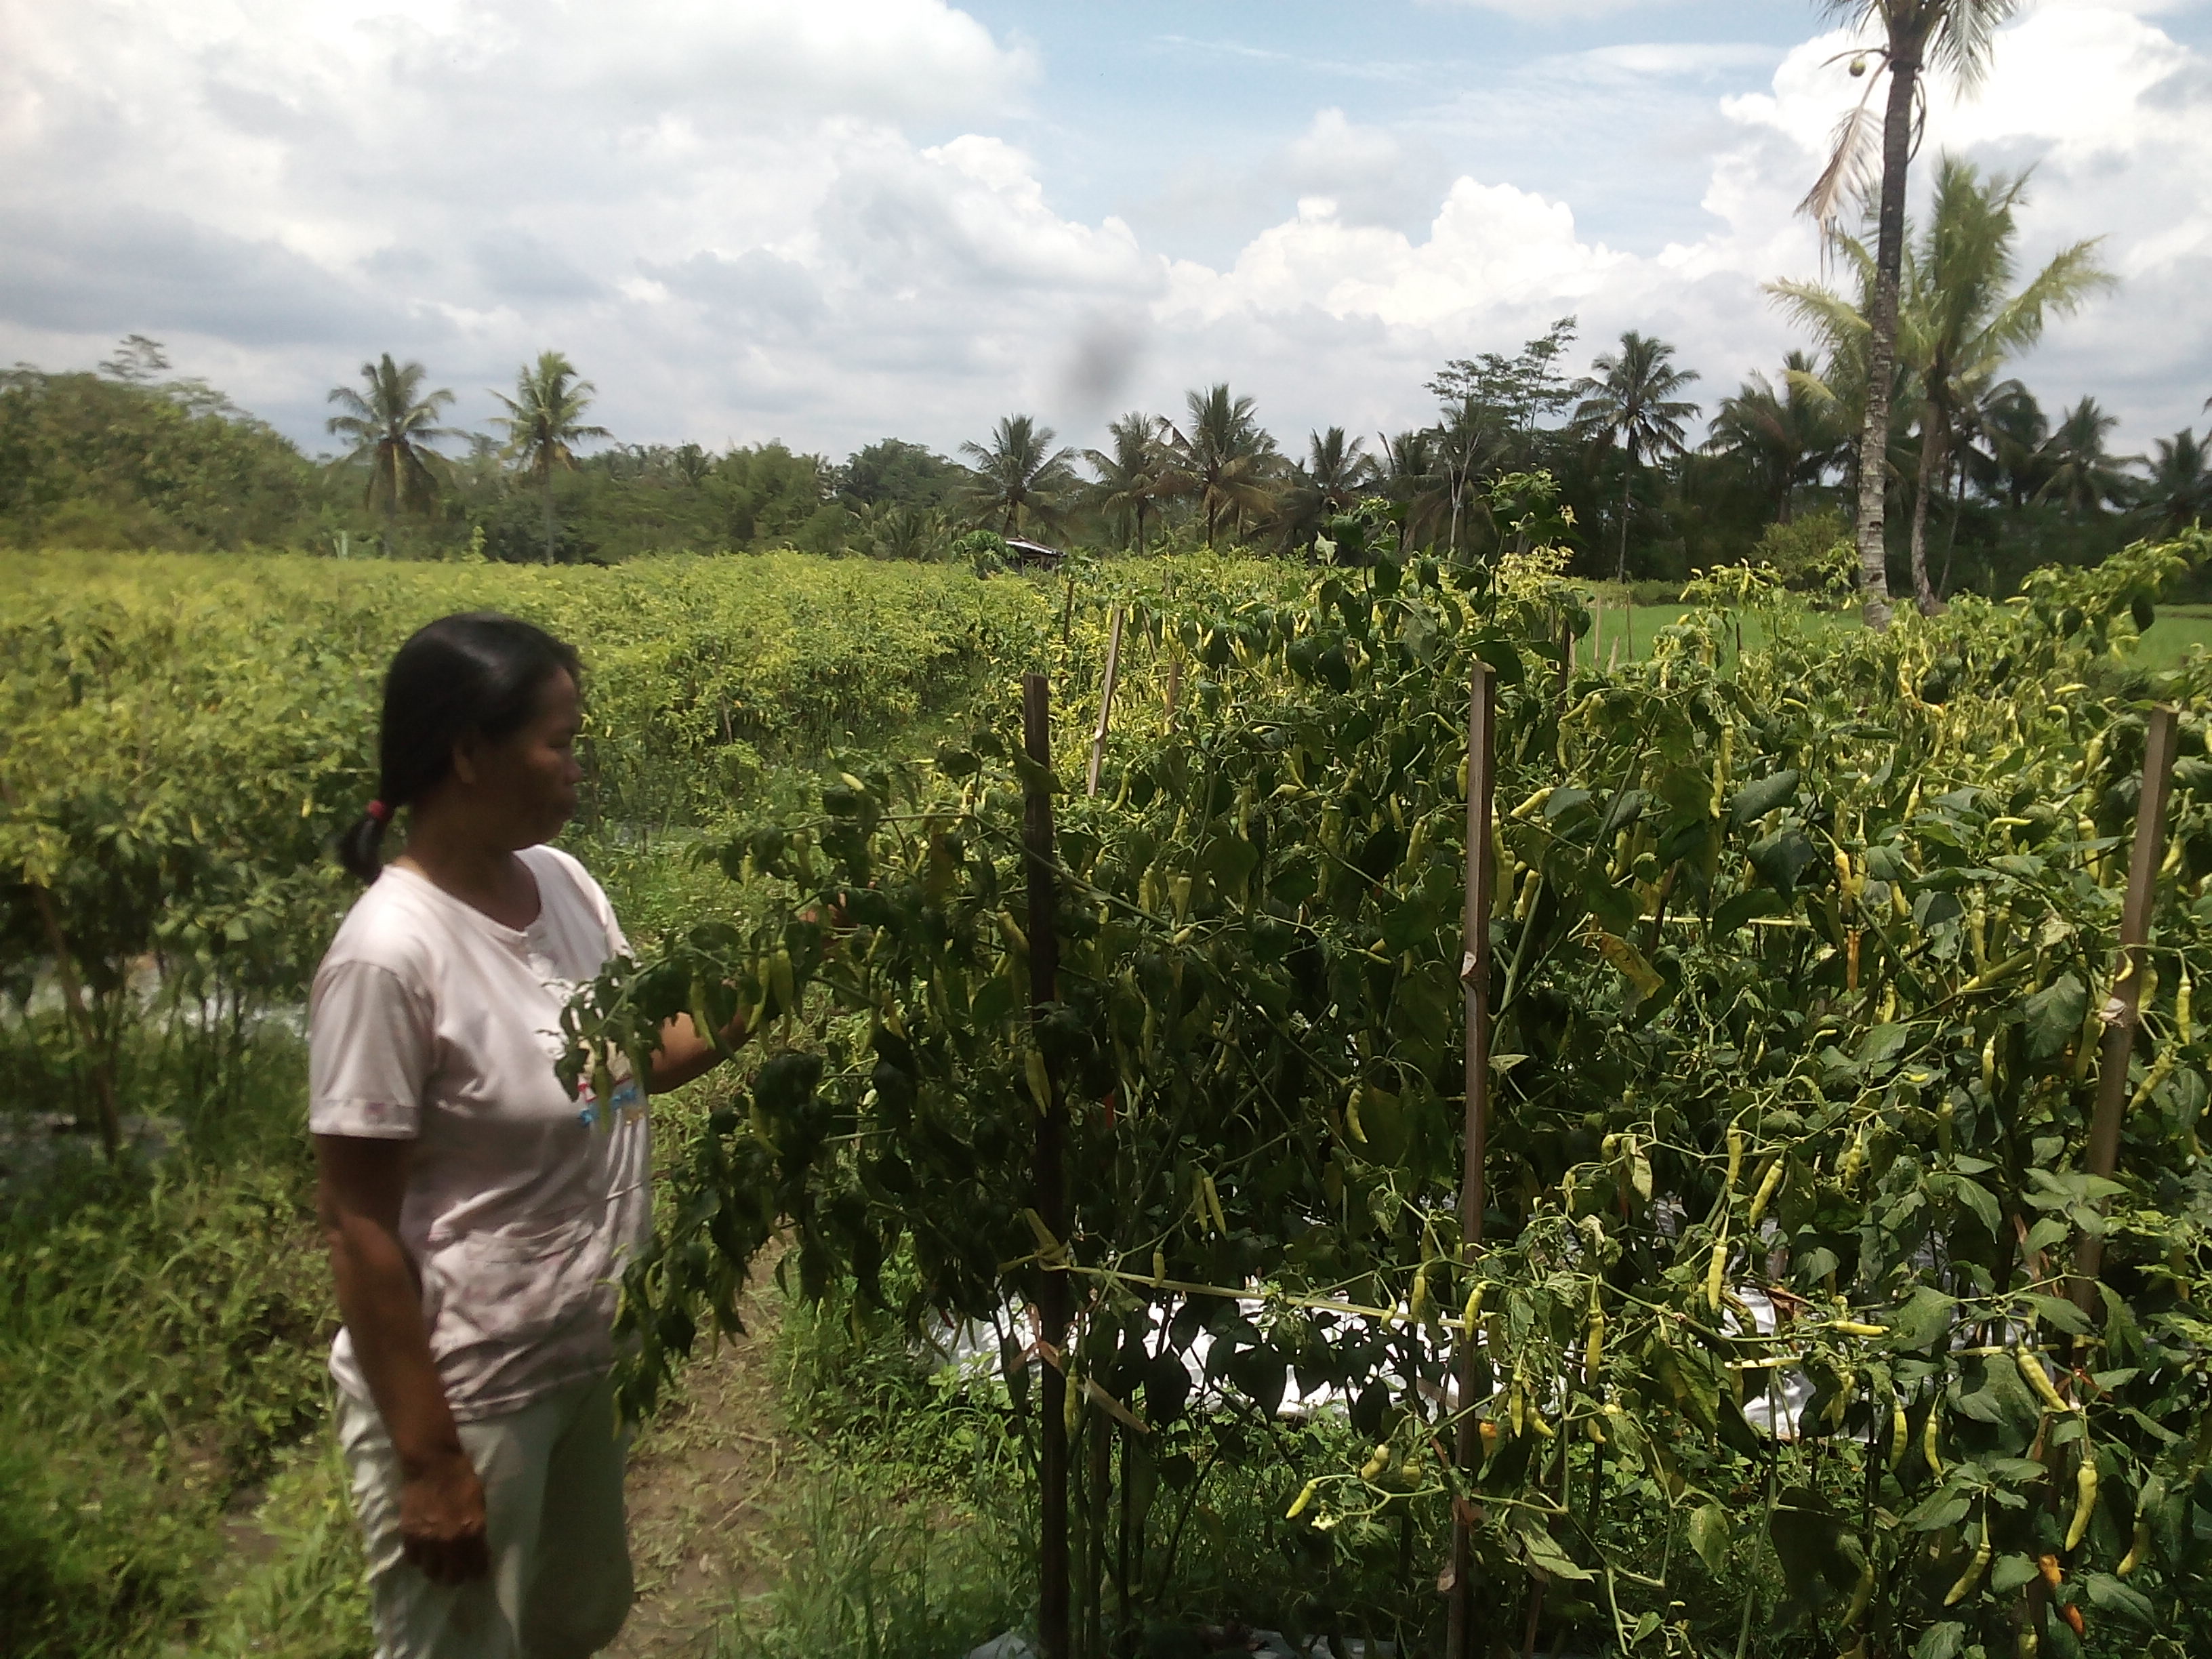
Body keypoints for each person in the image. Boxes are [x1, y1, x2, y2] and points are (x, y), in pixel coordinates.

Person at [312, 613, 743, 1659]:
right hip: (472, 1392)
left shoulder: (560, 882)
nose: (577, 766)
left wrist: (794, 964)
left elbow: (638, 1053)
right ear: (470, 754)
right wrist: (431, 1463)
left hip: (585, 1351)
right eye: (560, 742)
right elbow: (357, 1228)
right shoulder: (389, 956)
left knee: (570, 1622)